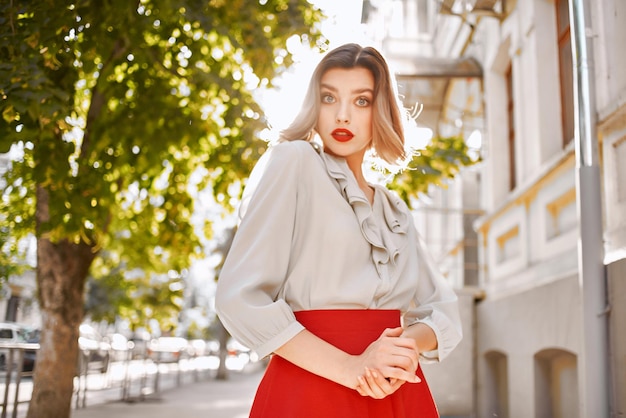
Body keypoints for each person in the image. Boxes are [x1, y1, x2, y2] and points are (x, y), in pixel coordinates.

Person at [215, 43, 462, 418]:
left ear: (379, 110)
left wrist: (399, 347)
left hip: (394, 391)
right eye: (329, 98)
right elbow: (239, 299)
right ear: (315, 105)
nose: (342, 115)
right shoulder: (294, 162)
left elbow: (444, 313)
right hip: (310, 389)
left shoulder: (395, 209)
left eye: (361, 101)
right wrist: (352, 368)